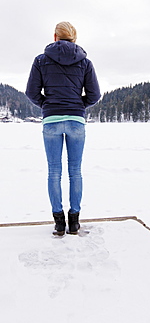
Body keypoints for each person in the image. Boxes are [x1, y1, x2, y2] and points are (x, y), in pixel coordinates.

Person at [26, 22, 101, 236]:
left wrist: (47, 105)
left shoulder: (41, 60)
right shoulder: (85, 62)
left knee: (54, 171)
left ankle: (59, 223)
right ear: (74, 38)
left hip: (51, 121)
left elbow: (32, 92)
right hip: (76, 120)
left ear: (55, 36)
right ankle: (74, 222)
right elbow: (94, 95)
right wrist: (78, 106)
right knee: (75, 171)